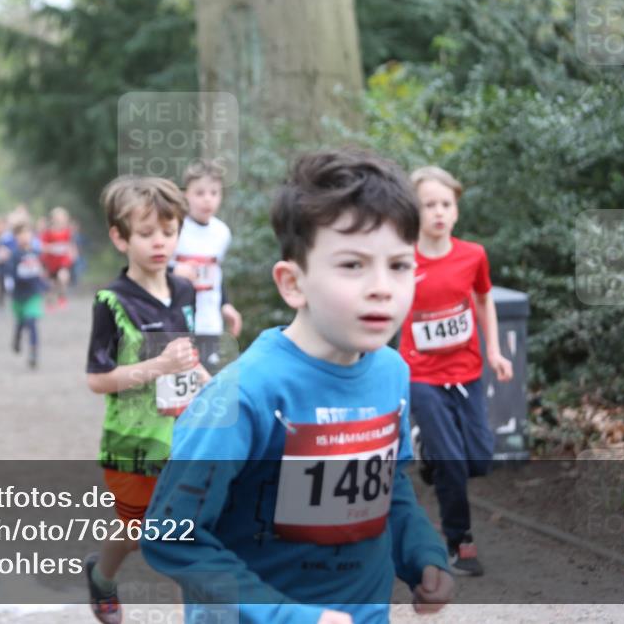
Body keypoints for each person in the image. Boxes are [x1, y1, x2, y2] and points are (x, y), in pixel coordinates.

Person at [141, 150, 453, 624]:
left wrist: (422, 554)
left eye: (399, 265)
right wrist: (291, 616)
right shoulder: (241, 396)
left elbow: (392, 489)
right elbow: (170, 533)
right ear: (292, 284)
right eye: (352, 265)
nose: (382, 287)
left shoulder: (393, 372)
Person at [83, 176, 210, 624]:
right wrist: (156, 368)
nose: (160, 242)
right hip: (132, 443)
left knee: (185, 535)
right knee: (137, 532)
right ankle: (101, 574)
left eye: (169, 231)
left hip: (184, 437)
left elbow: (188, 359)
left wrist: (217, 390)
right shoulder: (111, 302)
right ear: (120, 237)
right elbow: (97, 380)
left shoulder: (185, 291)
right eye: (146, 233)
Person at [398, 166, 513, 578]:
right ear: (415, 211)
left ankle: (426, 449)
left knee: (478, 460)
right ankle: (460, 544)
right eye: (429, 205)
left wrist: (495, 351)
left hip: (467, 371)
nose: (439, 212)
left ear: (457, 210)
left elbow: (484, 301)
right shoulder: (401, 259)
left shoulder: (473, 255)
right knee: (450, 461)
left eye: (446, 204)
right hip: (422, 374)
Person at [171, 160, 243, 374]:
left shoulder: (222, 233)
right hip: (176, 323)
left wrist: (226, 304)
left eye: (214, 193)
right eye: (199, 193)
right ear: (186, 194)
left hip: (209, 322)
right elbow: (151, 271)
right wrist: (173, 273)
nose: (207, 199)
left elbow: (215, 274)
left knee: (208, 385)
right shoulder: (174, 229)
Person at [6, 222, 48, 369]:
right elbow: (11, 274)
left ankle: (33, 353)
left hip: (33, 294)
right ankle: (17, 337)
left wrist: (45, 286)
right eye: (21, 234)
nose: (25, 237)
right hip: (19, 295)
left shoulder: (36, 253)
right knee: (21, 322)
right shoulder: (14, 255)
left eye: (27, 233)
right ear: (16, 238)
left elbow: (41, 273)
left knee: (31, 322)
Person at [40, 206, 76, 311]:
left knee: (63, 277)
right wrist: (52, 248)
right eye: (58, 218)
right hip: (50, 263)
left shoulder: (67, 232)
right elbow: (42, 246)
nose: (60, 220)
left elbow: (70, 245)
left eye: (62, 218)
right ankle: (50, 302)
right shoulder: (48, 232)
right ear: (53, 219)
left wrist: (72, 252)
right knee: (50, 285)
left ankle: (62, 297)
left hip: (62, 262)